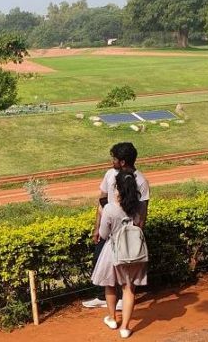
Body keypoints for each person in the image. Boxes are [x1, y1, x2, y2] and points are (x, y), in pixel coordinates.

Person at [83, 142, 150, 310]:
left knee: (125, 265)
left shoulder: (141, 181)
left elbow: (142, 213)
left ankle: (121, 300)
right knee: (101, 262)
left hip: (127, 232)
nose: (111, 161)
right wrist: (97, 227)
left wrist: (136, 234)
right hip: (109, 228)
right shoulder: (109, 174)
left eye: (114, 158)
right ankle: (102, 297)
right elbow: (102, 201)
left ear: (122, 162)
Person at [91, 170, 148, 338]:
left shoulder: (109, 208)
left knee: (110, 284)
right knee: (129, 288)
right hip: (133, 251)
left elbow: (102, 233)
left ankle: (113, 318)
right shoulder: (139, 206)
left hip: (113, 250)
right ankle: (125, 327)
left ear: (117, 187)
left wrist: (102, 216)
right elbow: (140, 224)